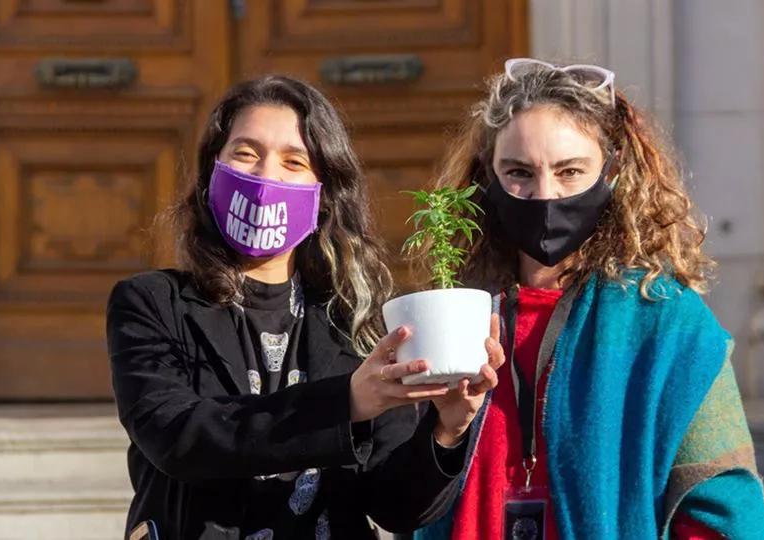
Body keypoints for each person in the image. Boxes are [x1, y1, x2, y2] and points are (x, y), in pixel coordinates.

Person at [106, 75, 504, 540]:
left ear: (323, 195)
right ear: (212, 170)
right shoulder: (152, 303)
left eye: (293, 162)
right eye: (246, 153)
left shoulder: (357, 319)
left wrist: (448, 428)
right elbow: (179, 437)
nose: (265, 178)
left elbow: (396, 507)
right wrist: (345, 403)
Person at [412, 59, 764, 540]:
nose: (545, 195)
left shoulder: (669, 323)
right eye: (519, 172)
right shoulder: (451, 317)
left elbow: (724, 509)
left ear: (612, 173)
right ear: (486, 177)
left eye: (570, 171)